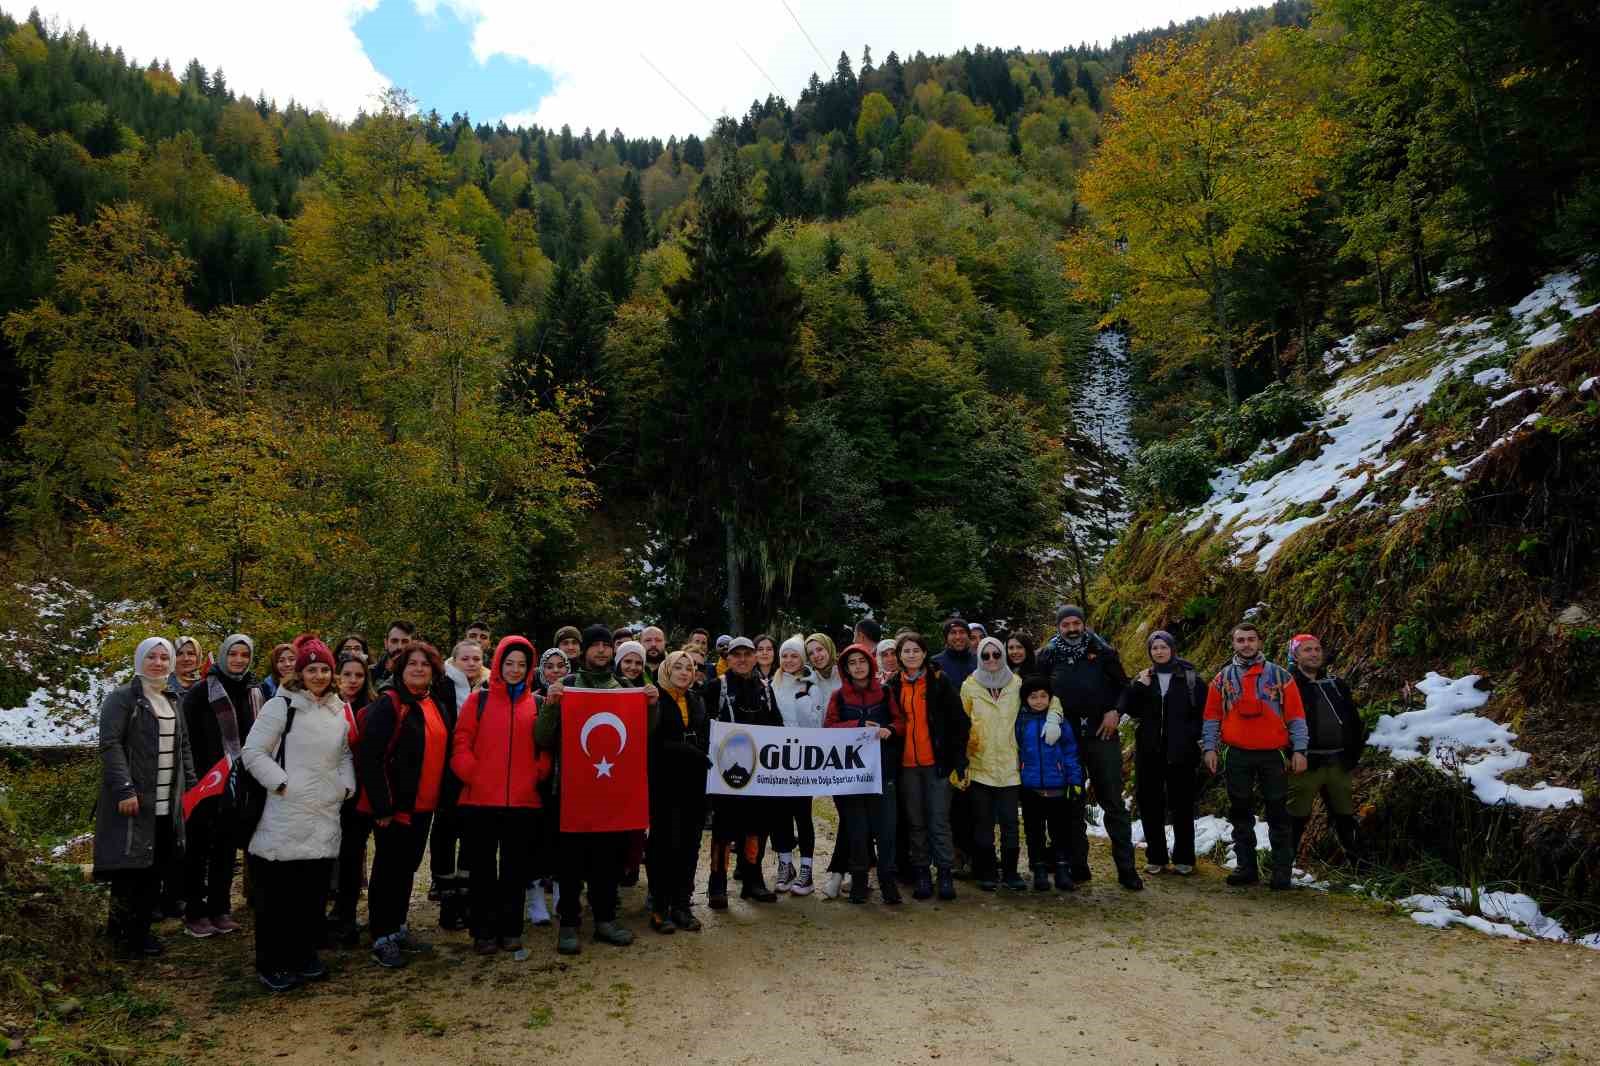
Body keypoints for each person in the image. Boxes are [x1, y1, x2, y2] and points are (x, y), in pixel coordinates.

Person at [241, 639, 355, 992]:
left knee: (313, 894)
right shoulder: (281, 706)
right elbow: (253, 752)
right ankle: (272, 962)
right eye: (311, 669)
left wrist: (345, 787)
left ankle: (304, 955)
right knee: (278, 896)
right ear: (299, 673)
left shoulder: (339, 709)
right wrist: (281, 784)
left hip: (324, 812)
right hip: (284, 813)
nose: (318, 675)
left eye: (324, 669)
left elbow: (344, 755)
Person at [537, 624, 655, 953]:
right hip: (572, 792)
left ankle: (605, 919)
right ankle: (570, 924)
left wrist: (652, 705)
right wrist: (552, 704)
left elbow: (644, 736)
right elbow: (542, 738)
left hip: (611, 794)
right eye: (595, 645)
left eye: (606, 645)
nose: (602, 651)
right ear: (585, 651)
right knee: (570, 864)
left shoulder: (626, 687)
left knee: (608, 862)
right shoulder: (568, 685)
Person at [93, 638, 196, 960]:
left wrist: (190, 786)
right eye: (151, 656)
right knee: (128, 870)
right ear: (139, 660)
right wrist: (124, 789)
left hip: (167, 799)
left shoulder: (173, 698)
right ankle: (121, 936)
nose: (158, 662)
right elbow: (111, 745)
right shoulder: (122, 698)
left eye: (164, 657)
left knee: (155, 867)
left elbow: (183, 748)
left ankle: (140, 932)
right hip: (135, 799)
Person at [358, 641, 457, 968]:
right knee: (388, 869)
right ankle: (382, 935)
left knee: (407, 868)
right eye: (412, 664)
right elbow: (370, 759)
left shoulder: (435, 703)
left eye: (425, 664)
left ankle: (398, 927)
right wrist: (382, 807)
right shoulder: (389, 704)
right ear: (400, 669)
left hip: (424, 806)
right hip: (394, 809)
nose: (418, 669)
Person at [451, 636, 550, 954]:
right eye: (509, 663)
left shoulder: (536, 704)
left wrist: (537, 774)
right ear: (498, 664)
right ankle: (483, 930)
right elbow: (461, 741)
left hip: (522, 802)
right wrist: (472, 774)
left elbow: (544, 748)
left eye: (522, 664)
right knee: (482, 870)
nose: (515, 670)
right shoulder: (477, 701)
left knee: (514, 870)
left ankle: (510, 929)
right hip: (480, 800)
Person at [1037, 605, 1143, 891]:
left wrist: (1115, 712)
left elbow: (1125, 687)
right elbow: (1036, 690)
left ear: (1084, 624)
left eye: (1076, 623)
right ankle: (1077, 864)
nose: (1072, 629)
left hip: (1101, 733)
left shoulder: (1103, 651)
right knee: (1071, 802)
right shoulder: (1047, 655)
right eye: (1066, 624)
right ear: (1058, 627)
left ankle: (1127, 868)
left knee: (1113, 802)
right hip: (1066, 738)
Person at [1202, 622, 1308, 890]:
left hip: (1273, 754)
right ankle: (1246, 867)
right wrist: (1210, 748)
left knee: (1278, 813)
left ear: (1260, 642)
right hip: (1236, 754)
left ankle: (1281, 870)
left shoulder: (1281, 676)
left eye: (1251, 639)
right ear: (1234, 644)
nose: (1246, 644)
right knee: (1240, 812)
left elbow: (1296, 716)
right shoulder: (1222, 678)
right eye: (1240, 640)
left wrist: (1300, 750)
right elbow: (1212, 717)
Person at [179, 634, 258, 939]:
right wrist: (195, 778)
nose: (238, 659)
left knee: (226, 848)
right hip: (205, 781)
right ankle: (195, 912)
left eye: (244, 655)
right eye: (233, 654)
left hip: (239, 782)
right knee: (198, 849)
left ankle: (220, 907)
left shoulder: (252, 692)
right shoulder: (201, 693)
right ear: (223, 655)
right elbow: (187, 739)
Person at [887, 632, 969, 902]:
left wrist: (958, 759)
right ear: (899, 656)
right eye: (906, 651)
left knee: (939, 820)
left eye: (915, 650)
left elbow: (959, 722)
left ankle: (944, 871)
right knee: (915, 821)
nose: (911, 655)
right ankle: (922, 871)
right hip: (907, 765)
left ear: (924, 653)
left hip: (936, 763)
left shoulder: (938, 681)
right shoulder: (893, 685)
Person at [703, 636, 784, 906]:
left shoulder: (765, 688)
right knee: (724, 830)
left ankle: (753, 880)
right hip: (726, 775)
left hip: (758, 774)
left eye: (747, 654)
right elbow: (705, 726)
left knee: (757, 827)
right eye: (736, 655)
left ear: (754, 657)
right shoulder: (716, 686)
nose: (742, 659)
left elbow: (778, 727)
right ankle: (717, 884)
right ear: (728, 658)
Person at [1120, 630, 1207, 876]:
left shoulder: (1190, 678)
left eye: (1163, 647)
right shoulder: (1145, 678)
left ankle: (1184, 857)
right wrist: (1139, 686)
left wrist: (1190, 736)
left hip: (1182, 752)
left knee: (1182, 805)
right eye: (1154, 648)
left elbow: (1204, 712)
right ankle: (1156, 856)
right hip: (1149, 752)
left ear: (1172, 649)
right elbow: (1128, 708)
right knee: (1150, 804)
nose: (1159, 651)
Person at [825, 644, 906, 904]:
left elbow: (900, 723)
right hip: (851, 775)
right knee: (857, 829)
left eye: (862, 661)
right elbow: (829, 727)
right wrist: (858, 725)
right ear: (845, 668)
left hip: (881, 771)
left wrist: (889, 730)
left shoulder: (884, 692)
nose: (858, 666)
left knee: (886, 829)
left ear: (870, 664)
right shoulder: (838, 696)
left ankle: (887, 880)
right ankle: (859, 880)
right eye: (852, 663)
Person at [1285, 633, 1366, 864]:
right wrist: (1289, 754)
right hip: (1304, 763)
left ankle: (1359, 867)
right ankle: (1284, 866)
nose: (1314, 654)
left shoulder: (1336, 685)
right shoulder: (1287, 687)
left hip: (1338, 763)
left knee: (1344, 815)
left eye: (1317, 649)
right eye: (1307, 650)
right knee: (1296, 816)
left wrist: (1353, 754)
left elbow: (1352, 719)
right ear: (1295, 655)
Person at [646, 650, 711, 933]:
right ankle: (660, 907)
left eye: (690, 668)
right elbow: (653, 741)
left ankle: (682, 906)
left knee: (689, 845)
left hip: (694, 784)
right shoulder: (655, 699)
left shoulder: (697, 700)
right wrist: (687, 750)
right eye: (679, 667)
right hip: (665, 784)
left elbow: (707, 735)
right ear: (667, 670)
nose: (685, 672)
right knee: (664, 845)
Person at [961, 637, 1024, 892]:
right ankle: (987, 870)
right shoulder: (970, 685)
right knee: (983, 822)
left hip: (1010, 765)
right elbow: (962, 722)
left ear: (1003, 656)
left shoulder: (1017, 684)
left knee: (1010, 822)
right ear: (979, 657)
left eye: (996, 655)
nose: (991, 660)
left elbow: (1044, 702)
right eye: (985, 656)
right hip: (980, 764)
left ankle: (1010, 872)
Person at [1015, 676, 1084, 892]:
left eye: (1043, 696)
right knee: (1034, 830)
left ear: (1050, 698)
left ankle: (1062, 868)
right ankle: (1039, 869)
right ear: (1026, 699)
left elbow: (1071, 752)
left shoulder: (1059, 721)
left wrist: (1075, 780)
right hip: (1031, 787)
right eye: (1033, 697)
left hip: (1057, 785)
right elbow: (1016, 751)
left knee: (1060, 830)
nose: (1038, 701)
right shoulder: (1021, 722)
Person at [769, 635, 823, 895]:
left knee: (802, 814)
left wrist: (803, 699)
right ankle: (785, 864)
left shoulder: (812, 685)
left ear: (802, 659)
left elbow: (816, 725)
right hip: (777, 760)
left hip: (802, 760)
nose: (789, 661)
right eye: (785, 656)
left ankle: (806, 870)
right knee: (779, 814)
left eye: (794, 656)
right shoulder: (773, 683)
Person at [328, 652, 375, 946]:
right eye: (347, 675)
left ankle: (346, 914)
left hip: (360, 795)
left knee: (351, 856)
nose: (353, 681)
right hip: (326, 792)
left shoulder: (372, 706)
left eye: (359, 675)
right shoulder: (326, 706)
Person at [931, 618, 977, 688]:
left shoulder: (979, 662)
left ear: (968, 636)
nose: (958, 637)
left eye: (962, 632)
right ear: (946, 637)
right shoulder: (935, 663)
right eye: (953, 632)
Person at [371, 620, 415, 691]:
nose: (399, 647)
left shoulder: (419, 675)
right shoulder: (369, 674)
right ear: (386, 643)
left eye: (405, 642)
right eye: (394, 641)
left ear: (412, 644)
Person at [445, 639, 490, 708]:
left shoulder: (491, 685)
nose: (471, 664)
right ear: (454, 661)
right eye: (465, 659)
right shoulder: (440, 686)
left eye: (476, 659)